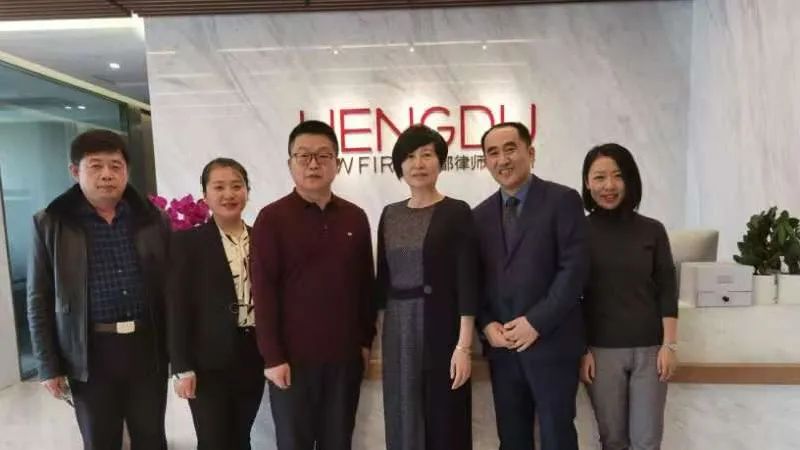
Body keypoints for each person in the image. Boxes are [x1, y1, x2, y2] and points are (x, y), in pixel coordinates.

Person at [27, 129, 170, 450]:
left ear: (127, 171)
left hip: (146, 347)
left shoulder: (152, 219)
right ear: (74, 171)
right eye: (95, 166)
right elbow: (39, 298)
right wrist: (48, 365)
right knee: (100, 439)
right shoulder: (51, 222)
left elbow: (169, 289)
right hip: (88, 352)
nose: (107, 174)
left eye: (116, 166)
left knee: (151, 437)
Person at [250, 120, 376, 450]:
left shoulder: (355, 217)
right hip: (292, 362)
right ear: (290, 163)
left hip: (344, 358)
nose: (313, 164)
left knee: (339, 441)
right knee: (295, 443)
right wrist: (273, 357)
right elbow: (263, 292)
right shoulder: (271, 218)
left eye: (323, 155)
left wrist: (365, 341)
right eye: (303, 155)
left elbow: (365, 285)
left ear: (337, 162)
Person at [473, 122, 589, 450]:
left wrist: (536, 322)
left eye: (510, 149)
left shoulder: (563, 200)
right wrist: (486, 324)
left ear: (531, 153)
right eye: (493, 153)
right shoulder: (478, 216)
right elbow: (474, 280)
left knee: (557, 437)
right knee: (511, 439)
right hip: (504, 350)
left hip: (553, 344)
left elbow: (573, 271)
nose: (502, 160)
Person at [376, 125, 479, 450]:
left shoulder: (457, 211)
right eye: (409, 156)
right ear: (399, 165)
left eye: (426, 155)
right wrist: (378, 341)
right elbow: (382, 285)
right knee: (403, 412)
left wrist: (464, 347)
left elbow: (468, 282)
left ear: (440, 161)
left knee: (444, 416)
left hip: (442, 326)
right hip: (398, 328)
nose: (418, 164)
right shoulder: (390, 214)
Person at [579, 143, 678, 450]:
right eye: (599, 177)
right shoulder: (578, 231)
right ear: (587, 183)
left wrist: (669, 345)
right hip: (600, 352)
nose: (608, 185)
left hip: (650, 350)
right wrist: (581, 350)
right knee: (613, 440)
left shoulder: (653, 230)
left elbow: (667, 289)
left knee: (647, 441)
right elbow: (572, 296)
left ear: (630, 179)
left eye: (617, 176)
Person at [167, 158, 265, 449]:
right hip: (206, 361)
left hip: (253, 354)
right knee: (213, 440)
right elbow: (176, 308)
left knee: (242, 436)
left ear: (247, 191)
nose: (229, 194)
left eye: (236, 186)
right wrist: (182, 367)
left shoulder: (263, 239)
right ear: (205, 195)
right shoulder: (187, 243)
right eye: (219, 187)